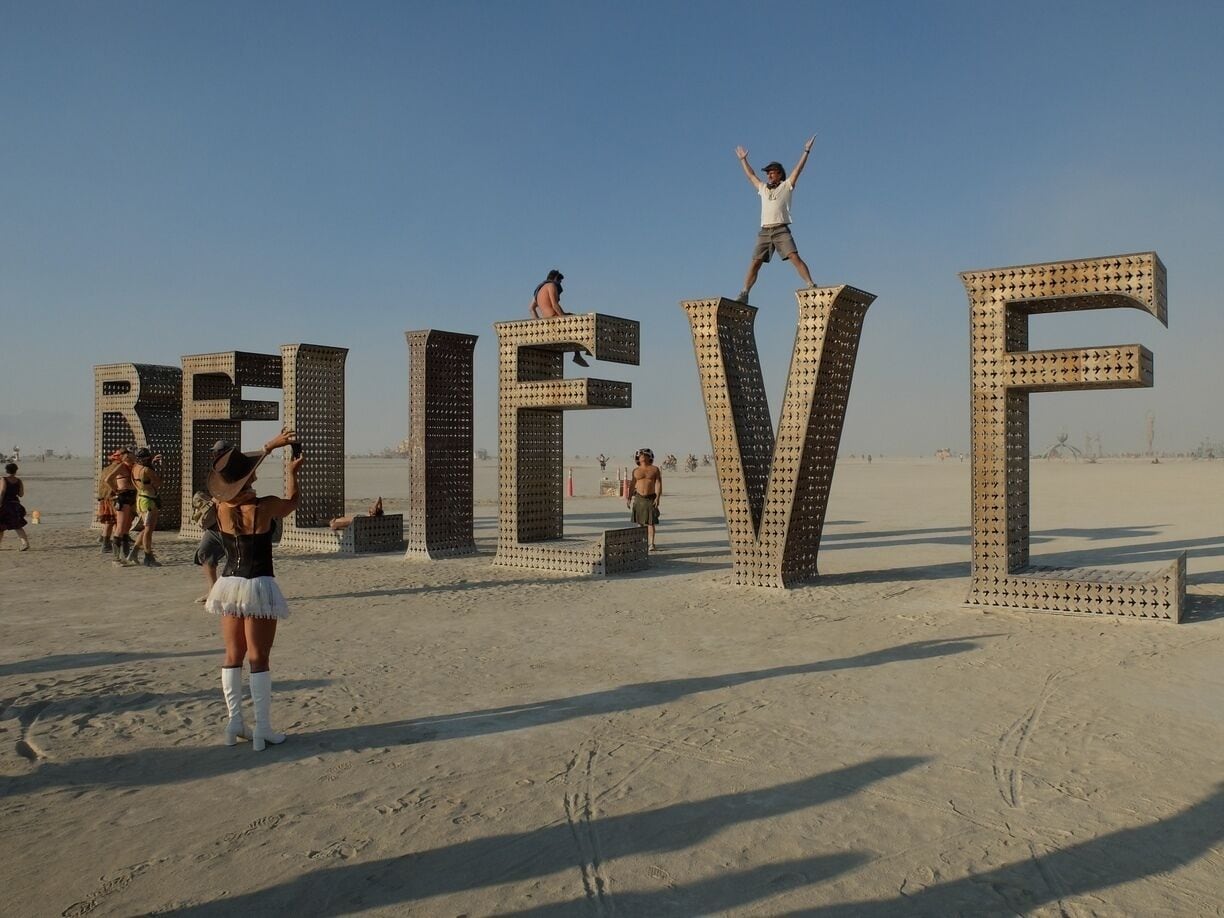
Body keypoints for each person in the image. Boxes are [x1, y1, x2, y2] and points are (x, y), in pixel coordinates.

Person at [206, 429, 300, 751]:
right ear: (245, 480)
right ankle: (262, 729)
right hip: (258, 583)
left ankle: (235, 723)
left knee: (233, 655)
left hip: (229, 584)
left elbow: (238, 471)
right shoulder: (264, 507)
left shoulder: (220, 508)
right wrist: (291, 472)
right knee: (259, 657)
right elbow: (292, 503)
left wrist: (269, 448)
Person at [735, 135, 818, 304]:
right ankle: (744, 293)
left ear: (780, 174)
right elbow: (751, 176)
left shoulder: (786, 186)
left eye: (772, 173)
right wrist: (743, 160)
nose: (769, 176)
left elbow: (798, 170)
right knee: (755, 262)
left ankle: (811, 284)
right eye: (768, 173)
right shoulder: (764, 188)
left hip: (781, 229)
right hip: (765, 231)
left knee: (794, 257)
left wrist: (806, 151)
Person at [529, 269, 591, 367]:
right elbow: (555, 305)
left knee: (571, 316)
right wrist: (564, 318)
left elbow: (531, 308)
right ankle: (583, 351)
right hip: (554, 319)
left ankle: (579, 353)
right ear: (556, 279)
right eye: (560, 282)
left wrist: (538, 323)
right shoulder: (551, 285)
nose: (560, 284)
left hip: (547, 320)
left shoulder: (539, 289)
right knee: (578, 320)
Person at [127, 447, 164, 566]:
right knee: (149, 530)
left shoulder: (135, 468)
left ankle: (134, 552)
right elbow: (158, 482)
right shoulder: (147, 470)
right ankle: (148, 557)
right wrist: (156, 467)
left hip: (140, 498)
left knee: (145, 528)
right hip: (149, 501)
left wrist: (152, 462)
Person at [104, 447, 138, 563]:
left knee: (126, 528)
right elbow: (108, 479)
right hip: (123, 497)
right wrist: (117, 490)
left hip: (132, 497)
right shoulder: (121, 466)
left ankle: (126, 554)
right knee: (120, 527)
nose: (133, 456)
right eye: (131, 454)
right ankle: (116, 558)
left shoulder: (133, 466)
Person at [627, 447, 663, 551]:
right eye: (640, 455)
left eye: (644, 455)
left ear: (649, 457)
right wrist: (629, 498)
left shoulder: (654, 469)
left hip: (650, 498)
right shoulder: (636, 471)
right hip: (639, 498)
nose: (642, 457)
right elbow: (632, 484)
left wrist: (658, 497)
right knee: (640, 522)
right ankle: (641, 542)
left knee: (651, 523)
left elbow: (658, 483)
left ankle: (651, 543)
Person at [96, 450, 123, 555]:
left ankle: (106, 541)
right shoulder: (118, 469)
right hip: (112, 498)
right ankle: (108, 544)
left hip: (104, 498)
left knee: (110, 521)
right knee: (115, 521)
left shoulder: (106, 469)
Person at [0, 463, 30, 550]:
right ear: (16, 471)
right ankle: (25, 543)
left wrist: (0, 503)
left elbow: (2, 492)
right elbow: (21, 494)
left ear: (6, 470)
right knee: (17, 525)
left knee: (1, 526)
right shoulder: (19, 481)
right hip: (15, 505)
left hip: (5, 504)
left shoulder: (3, 479)